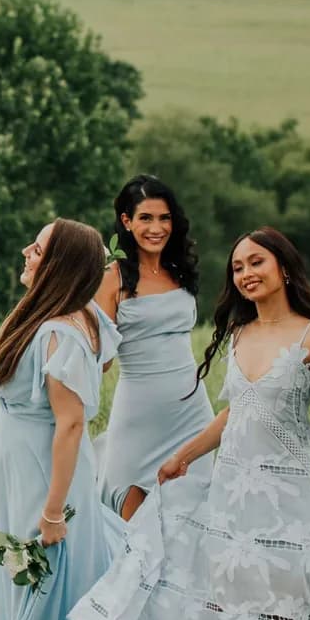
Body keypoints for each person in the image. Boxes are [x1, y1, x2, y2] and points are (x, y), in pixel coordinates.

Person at [70, 228, 310, 620]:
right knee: (225, 583)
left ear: (284, 268)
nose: (247, 274)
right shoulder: (240, 333)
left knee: (282, 587)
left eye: (257, 263)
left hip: (287, 487)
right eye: (238, 267)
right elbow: (236, 411)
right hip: (231, 482)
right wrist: (181, 458)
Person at [0, 218, 118, 620]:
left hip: (42, 472)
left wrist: (53, 510)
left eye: (36, 249)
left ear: (57, 265)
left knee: (37, 577)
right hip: (23, 463)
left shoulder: (61, 333)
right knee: (30, 579)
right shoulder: (81, 317)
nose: (26, 254)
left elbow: (72, 423)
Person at [94, 175, 210, 519]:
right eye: (146, 218)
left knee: (193, 515)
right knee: (126, 510)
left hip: (192, 411)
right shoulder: (111, 277)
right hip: (138, 412)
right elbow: (100, 361)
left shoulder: (180, 270)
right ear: (127, 222)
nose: (156, 228)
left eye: (164, 218)